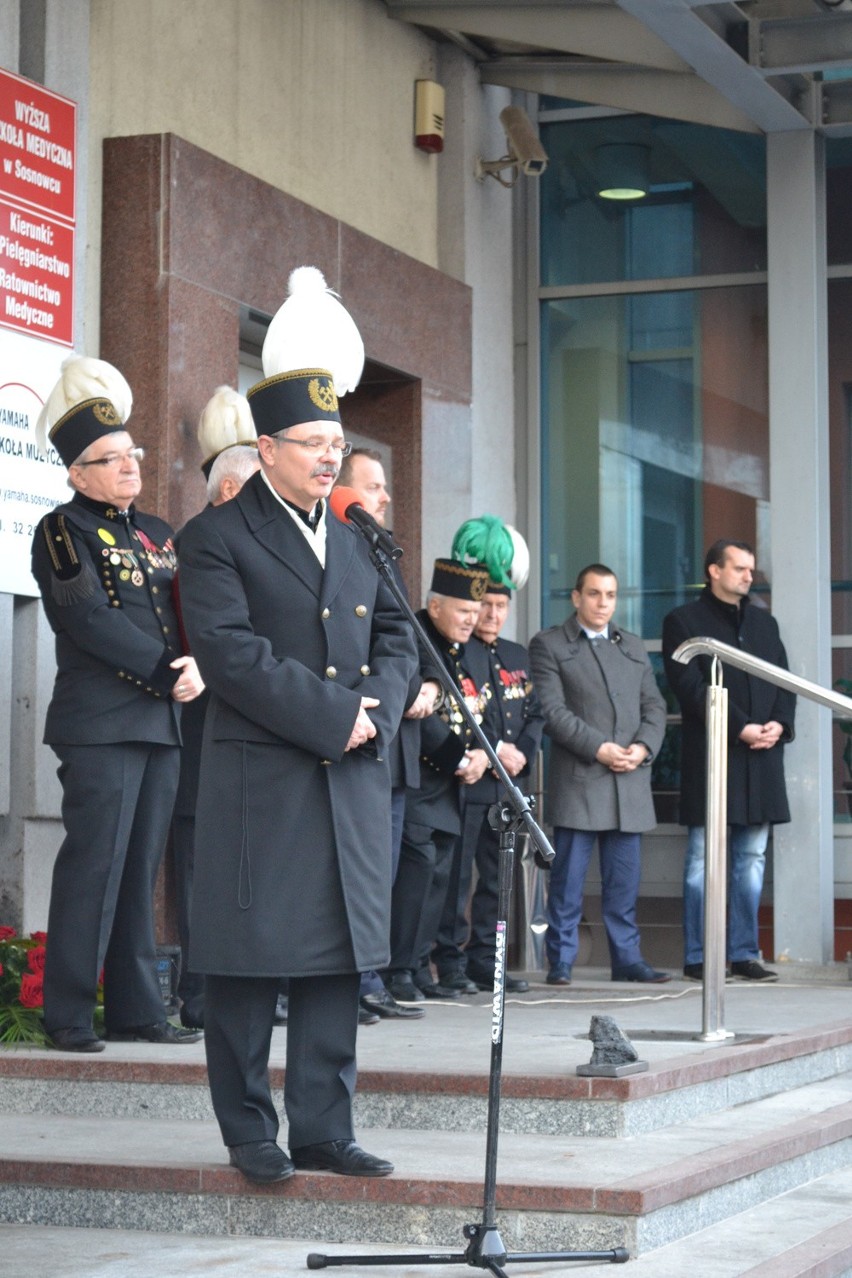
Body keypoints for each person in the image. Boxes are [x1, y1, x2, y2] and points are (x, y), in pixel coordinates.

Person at [177, 267, 417, 1186]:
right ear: (265, 448)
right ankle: (249, 1130)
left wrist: (378, 714)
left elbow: (399, 635)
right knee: (247, 965)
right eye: (312, 443)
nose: (329, 457)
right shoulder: (219, 538)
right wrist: (336, 716)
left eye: (337, 441)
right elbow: (233, 657)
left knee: (334, 961)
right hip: (265, 780)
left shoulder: (359, 537)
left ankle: (324, 1125)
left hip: (348, 772)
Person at [30, 355, 205, 1052]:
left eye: (131, 453)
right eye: (111, 459)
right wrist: (167, 671)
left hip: (162, 723)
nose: (129, 466)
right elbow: (89, 620)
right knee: (94, 867)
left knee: (139, 872)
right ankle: (69, 1015)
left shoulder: (158, 533)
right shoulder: (59, 531)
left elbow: (183, 612)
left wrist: (198, 667)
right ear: (78, 473)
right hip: (102, 724)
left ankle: (137, 1010)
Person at [662, 539, 796, 983]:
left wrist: (779, 724)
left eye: (751, 570)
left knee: (752, 858)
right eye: (739, 568)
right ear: (714, 570)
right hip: (715, 755)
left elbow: (784, 679)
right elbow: (689, 686)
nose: (748, 576)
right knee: (703, 858)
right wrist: (739, 725)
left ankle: (743, 953)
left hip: (761, 760)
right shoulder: (683, 621)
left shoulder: (764, 622)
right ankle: (699, 955)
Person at [529, 564, 668, 986]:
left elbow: (655, 706)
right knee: (568, 884)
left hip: (629, 782)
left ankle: (627, 960)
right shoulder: (549, 644)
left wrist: (643, 747)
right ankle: (562, 962)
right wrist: (600, 748)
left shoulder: (633, 645)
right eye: (594, 593)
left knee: (623, 885)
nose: (602, 603)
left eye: (609, 595)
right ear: (576, 597)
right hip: (581, 782)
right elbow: (552, 713)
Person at [172, 387, 260, 1030]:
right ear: (229, 491)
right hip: (199, 734)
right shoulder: (199, 545)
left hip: (251, 737)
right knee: (204, 873)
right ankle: (200, 994)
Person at [333, 448, 427, 1022]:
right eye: (374, 486)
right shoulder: (331, 546)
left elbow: (401, 639)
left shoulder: (377, 551)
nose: (385, 497)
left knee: (379, 875)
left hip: (380, 737)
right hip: (339, 732)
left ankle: (370, 977)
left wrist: (391, 708)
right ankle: (348, 981)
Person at [432, 515, 544, 994]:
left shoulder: (518, 654)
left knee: (497, 879)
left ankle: (488, 962)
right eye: (486, 605)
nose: (492, 615)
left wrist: (520, 752)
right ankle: (451, 963)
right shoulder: (463, 652)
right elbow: (470, 712)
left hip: (509, 783)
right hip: (473, 781)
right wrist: (496, 748)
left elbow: (535, 713)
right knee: (457, 878)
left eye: (501, 606)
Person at [383, 558, 491, 1003]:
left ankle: (418, 964)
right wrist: (457, 757)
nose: (473, 620)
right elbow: (422, 715)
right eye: (464, 610)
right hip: (420, 779)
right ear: (434, 605)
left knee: (440, 882)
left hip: (449, 787)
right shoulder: (417, 636)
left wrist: (481, 754)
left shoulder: (458, 652)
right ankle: (398, 969)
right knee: (415, 879)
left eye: (475, 612)